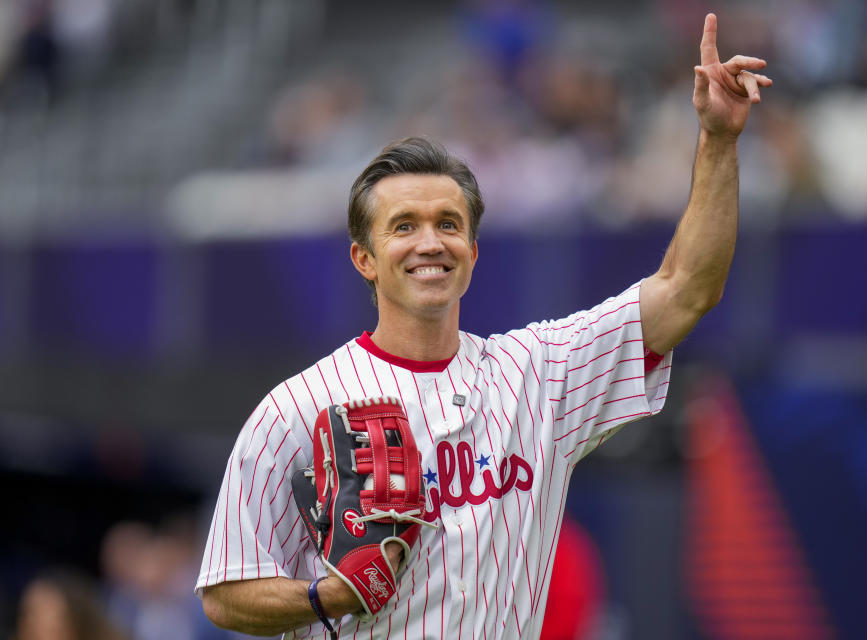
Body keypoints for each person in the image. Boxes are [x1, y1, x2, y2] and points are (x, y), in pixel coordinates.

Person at [197, 13, 771, 639]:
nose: (429, 242)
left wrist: (718, 141)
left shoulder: (539, 373)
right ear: (363, 257)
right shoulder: (295, 408)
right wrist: (324, 596)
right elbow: (227, 592)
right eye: (403, 226)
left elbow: (688, 290)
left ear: (473, 250)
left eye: (448, 223)